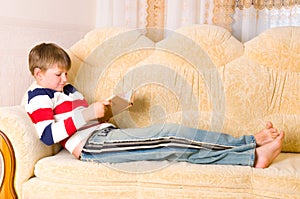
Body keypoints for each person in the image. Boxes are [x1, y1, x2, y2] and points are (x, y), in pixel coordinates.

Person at [25, 43, 284, 168]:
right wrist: (87, 114)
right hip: (94, 146)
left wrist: (110, 108)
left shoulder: (66, 90)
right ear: (39, 73)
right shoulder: (39, 95)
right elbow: (47, 135)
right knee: (170, 138)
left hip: (105, 135)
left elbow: (81, 118)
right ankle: (250, 152)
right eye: (58, 74)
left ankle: (249, 147)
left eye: (66, 73)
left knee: (175, 141)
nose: (65, 79)